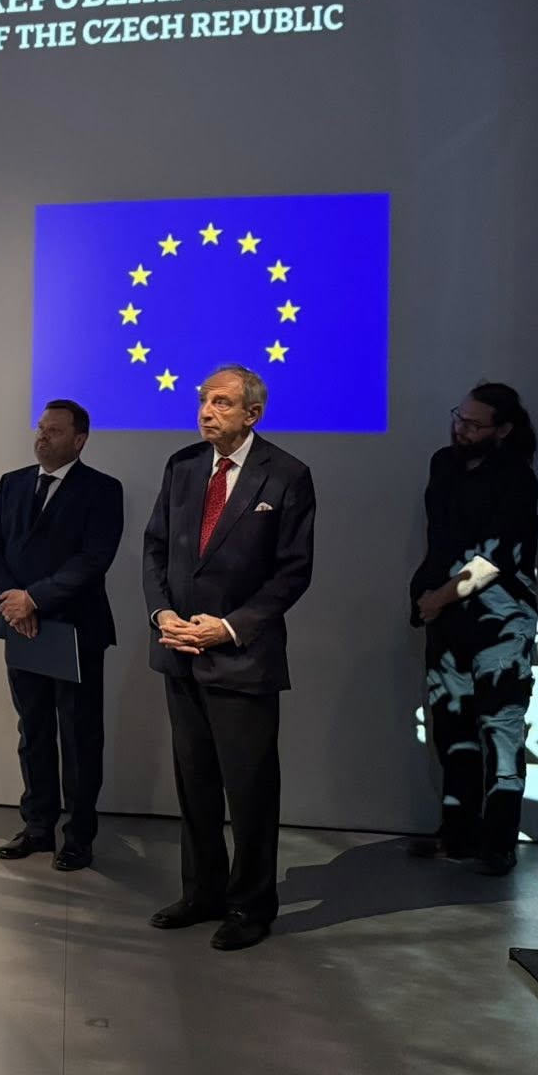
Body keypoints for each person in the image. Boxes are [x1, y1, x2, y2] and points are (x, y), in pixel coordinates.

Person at [142, 366, 315, 950]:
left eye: (221, 402)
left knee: (249, 792)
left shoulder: (287, 475)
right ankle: (202, 893)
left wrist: (230, 627)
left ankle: (251, 906)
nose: (206, 411)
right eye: (203, 400)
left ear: (252, 414)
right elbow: (155, 548)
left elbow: (293, 572)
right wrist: (162, 614)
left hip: (242, 658)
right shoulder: (183, 466)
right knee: (195, 786)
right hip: (180, 652)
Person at [0, 399, 124, 870]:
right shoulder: (12, 483)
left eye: (54, 430)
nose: (42, 436)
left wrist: (34, 599)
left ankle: (78, 836)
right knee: (33, 730)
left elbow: (93, 559)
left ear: (79, 440)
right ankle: (37, 827)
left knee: (79, 736)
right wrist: (12, 600)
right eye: (41, 428)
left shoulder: (103, 490)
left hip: (74, 629)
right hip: (21, 626)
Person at [407, 383, 538, 875]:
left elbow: (497, 559)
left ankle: (499, 842)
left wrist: (439, 597)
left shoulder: (518, 478)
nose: (459, 428)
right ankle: (457, 834)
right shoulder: (443, 464)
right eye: (458, 417)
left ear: (502, 430)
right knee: (451, 728)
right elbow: (441, 540)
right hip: (446, 620)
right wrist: (428, 597)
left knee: (501, 730)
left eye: (472, 423)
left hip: (500, 621)